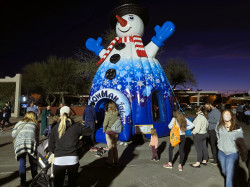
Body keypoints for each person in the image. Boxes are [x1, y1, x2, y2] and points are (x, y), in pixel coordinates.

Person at [48, 106, 91, 187]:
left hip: (59, 159)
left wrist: (57, 151)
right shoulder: (77, 126)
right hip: (72, 158)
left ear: (60, 114)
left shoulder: (55, 127)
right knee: (72, 183)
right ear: (70, 114)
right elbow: (89, 131)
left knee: (58, 184)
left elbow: (51, 147)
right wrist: (80, 141)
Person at [216, 109, 248, 187]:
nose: (226, 116)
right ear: (222, 116)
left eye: (228, 114)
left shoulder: (236, 127)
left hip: (232, 154)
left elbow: (241, 142)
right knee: (224, 172)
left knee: (229, 176)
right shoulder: (219, 125)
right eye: (224, 114)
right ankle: (233, 180)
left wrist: (244, 154)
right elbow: (218, 135)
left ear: (231, 116)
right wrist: (220, 143)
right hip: (221, 153)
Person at [12, 112, 39, 187]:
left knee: (22, 162)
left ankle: (23, 182)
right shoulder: (35, 124)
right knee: (33, 163)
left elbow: (13, 134)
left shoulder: (19, 123)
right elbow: (37, 137)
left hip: (20, 144)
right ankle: (35, 180)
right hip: (31, 144)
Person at [103, 101, 120, 168]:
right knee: (114, 146)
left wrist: (104, 130)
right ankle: (116, 162)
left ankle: (110, 162)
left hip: (109, 132)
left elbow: (105, 124)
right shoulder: (117, 114)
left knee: (110, 147)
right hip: (116, 132)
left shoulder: (108, 115)